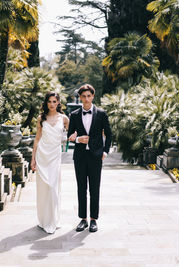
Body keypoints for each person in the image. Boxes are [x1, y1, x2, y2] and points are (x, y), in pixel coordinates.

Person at [67, 84, 112, 233]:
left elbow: (109, 134)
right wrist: (78, 139)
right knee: (81, 188)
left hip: (95, 156)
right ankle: (82, 219)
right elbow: (70, 137)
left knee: (94, 188)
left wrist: (105, 152)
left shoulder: (101, 113)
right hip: (79, 156)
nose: (86, 99)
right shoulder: (73, 115)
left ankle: (93, 219)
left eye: (89, 96)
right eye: (83, 96)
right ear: (80, 98)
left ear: (93, 96)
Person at [31, 91, 76, 234]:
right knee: (44, 188)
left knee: (52, 187)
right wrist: (33, 159)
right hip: (42, 155)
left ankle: (53, 219)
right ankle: (44, 220)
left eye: (54, 101)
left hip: (55, 156)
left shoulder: (64, 118)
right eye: (49, 101)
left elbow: (71, 135)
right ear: (46, 103)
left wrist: (76, 136)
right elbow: (37, 139)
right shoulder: (40, 118)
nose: (52, 104)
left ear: (58, 103)